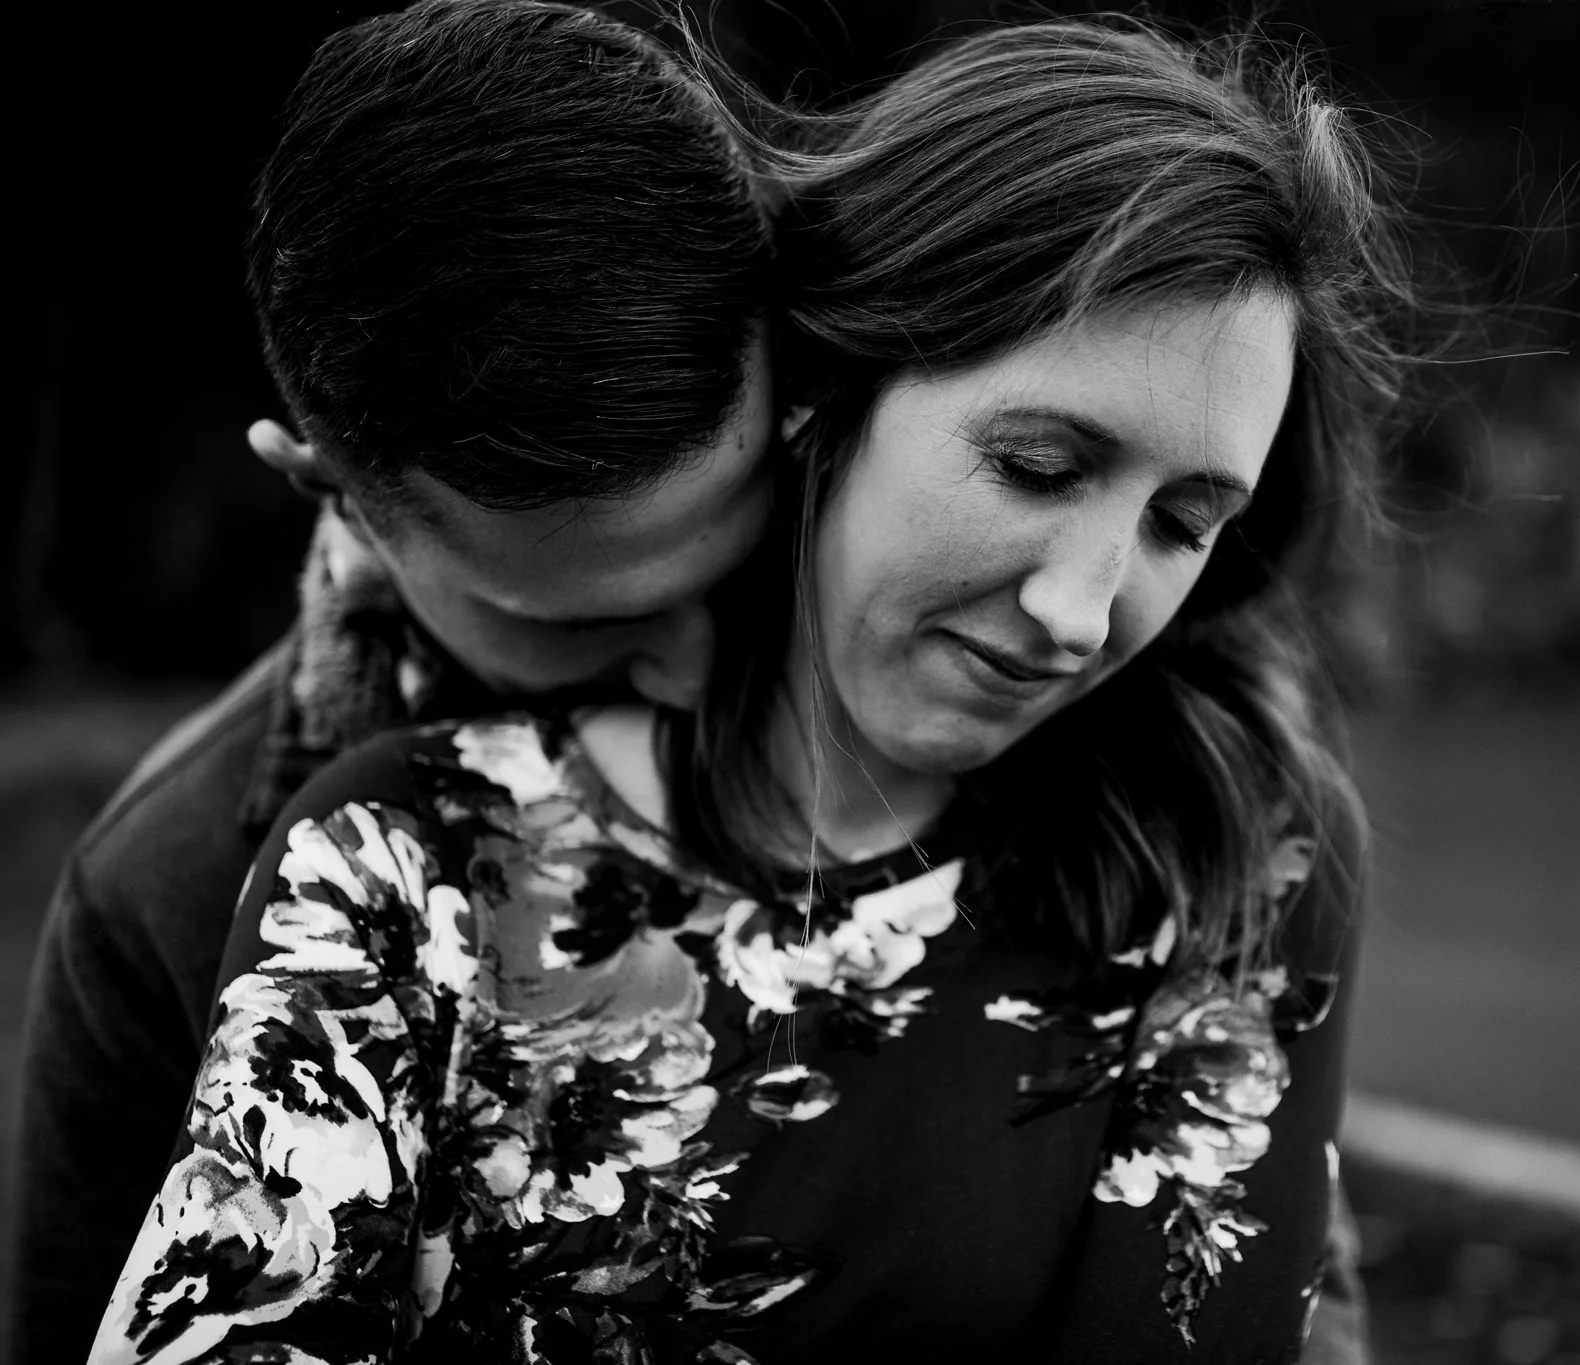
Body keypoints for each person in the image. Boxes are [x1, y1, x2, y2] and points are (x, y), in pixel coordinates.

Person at [87, 17, 1422, 1363]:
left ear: (785, 401)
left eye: (1186, 522)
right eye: (1036, 467)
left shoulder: (1216, 836)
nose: (1080, 616)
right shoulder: (297, 868)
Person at [6, 3, 777, 1359]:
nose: (698, 664)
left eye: (739, 564)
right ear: (329, 489)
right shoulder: (173, 901)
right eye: (585, 624)